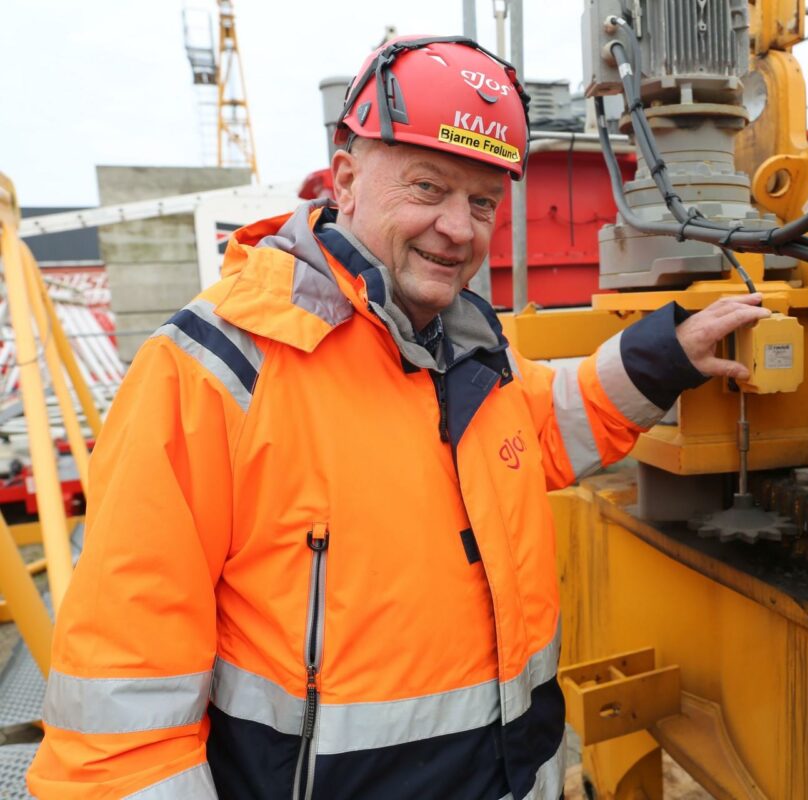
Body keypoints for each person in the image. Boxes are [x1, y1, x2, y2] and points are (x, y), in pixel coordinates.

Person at [27, 35, 768, 799]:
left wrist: (664, 354)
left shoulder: (470, 347)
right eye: (427, 187)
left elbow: (542, 427)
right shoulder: (214, 373)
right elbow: (123, 718)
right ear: (345, 179)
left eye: (482, 202)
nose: (458, 227)